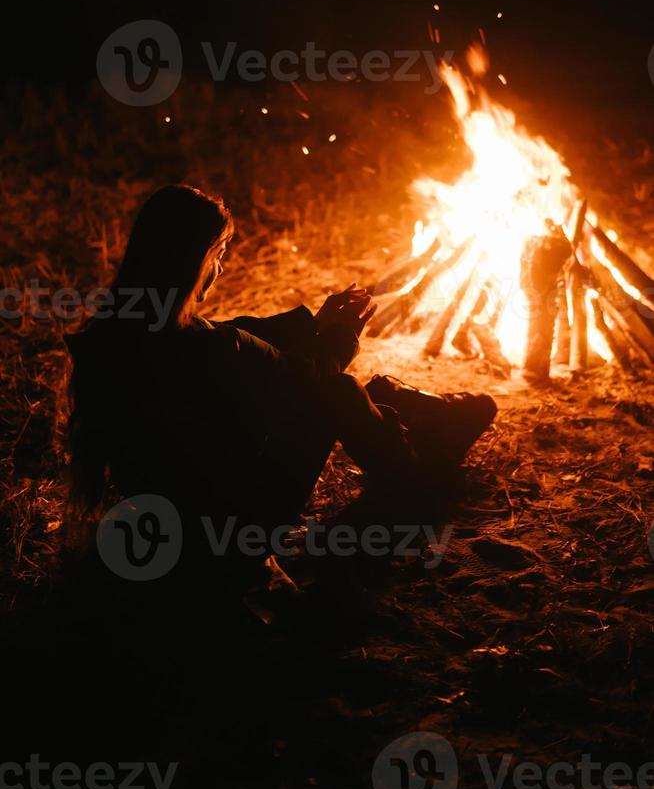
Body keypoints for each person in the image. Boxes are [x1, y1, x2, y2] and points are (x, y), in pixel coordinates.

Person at [66, 184, 496, 584]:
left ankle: (417, 423)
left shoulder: (114, 334)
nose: (219, 267)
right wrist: (341, 339)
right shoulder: (211, 350)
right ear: (193, 260)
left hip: (166, 518)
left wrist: (312, 324)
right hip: (225, 538)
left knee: (363, 392)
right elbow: (307, 381)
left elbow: (237, 334)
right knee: (341, 393)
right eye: (217, 254)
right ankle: (415, 484)